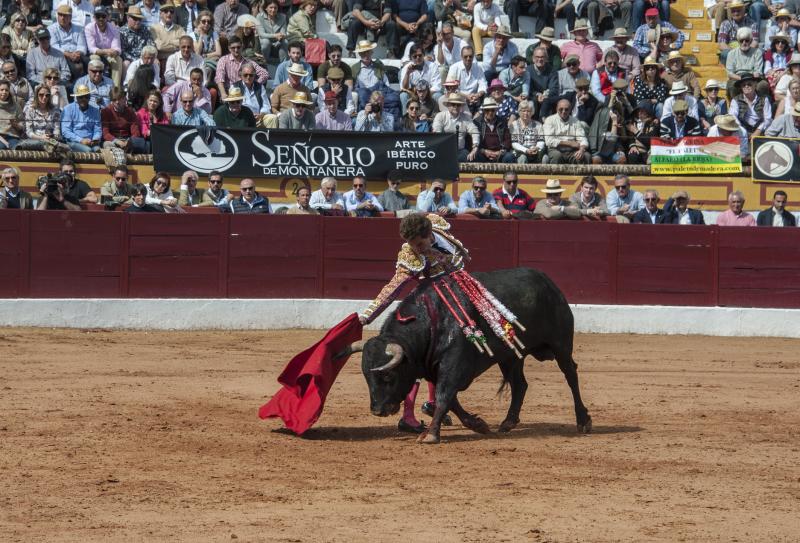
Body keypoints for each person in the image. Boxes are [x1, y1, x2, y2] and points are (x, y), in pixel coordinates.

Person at [357, 212, 471, 433]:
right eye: (412, 244)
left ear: (430, 234)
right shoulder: (410, 254)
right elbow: (392, 288)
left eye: (419, 243)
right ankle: (408, 417)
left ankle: (433, 404)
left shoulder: (437, 226)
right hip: (431, 310)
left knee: (440, 358)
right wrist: (367, 315)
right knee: (415, 362)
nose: (416, 248)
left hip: (455, 303)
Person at [215, 36, 269, 101]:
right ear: (229, 48)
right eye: (233, 48)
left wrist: (254, 85)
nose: (236, 50)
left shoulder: (248, 62)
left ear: (242, 47)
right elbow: (219, 78)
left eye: (238, 47)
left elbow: (265, 74)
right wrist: (223, 93)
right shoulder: (223, 60)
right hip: (230, 94)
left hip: (246, 93)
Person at [432, 92, 479, 161]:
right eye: (453, 104)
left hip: (460, 151)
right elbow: (437, 133)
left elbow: (474, 131)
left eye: (458, 105)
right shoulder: (440, 116)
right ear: (448, 105)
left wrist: (475, 147)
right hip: (443, 149)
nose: (456, 107)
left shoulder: (466, 117)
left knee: (468, 156)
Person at [101, 87, 148, 154]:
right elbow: (105, 133)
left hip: (127, 140)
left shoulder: (130, 111)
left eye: (119, 99)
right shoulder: (106, 111)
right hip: (112, 140)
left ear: (125, 99)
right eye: (114, 100)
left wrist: (128, 142)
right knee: (107, 145)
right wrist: (116, 141)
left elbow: (135, 132)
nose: (117, 102)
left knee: (140, 143)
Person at [543, 98, 590, 164]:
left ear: (570, 110)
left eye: (566, 109)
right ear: (556, 109)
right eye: (561, 109)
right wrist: (570, 143)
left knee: (586, 156)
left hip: (572, 151)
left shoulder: (576, 121)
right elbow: (549, 141)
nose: (563, 111)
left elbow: (583, 139)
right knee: (557, 156)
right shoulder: (550, 120)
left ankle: (581, 175)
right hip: (555, 149)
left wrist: (582, 150)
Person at [85, 6, 123, 87]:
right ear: (94, 17)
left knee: (118, 60)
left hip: (109, 54)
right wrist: (106, 51)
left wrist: (115, 52)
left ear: (108, 17)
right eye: (98, 16)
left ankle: (115, 88)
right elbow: (92, 48)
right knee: (95, 59)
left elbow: (117, 47)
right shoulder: (89, 28)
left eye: (103, 16)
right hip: (96, 54)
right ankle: (96, 85)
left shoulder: (114, 28)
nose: (101, 19)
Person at [48, 4, 88, 80]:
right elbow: (54, 46)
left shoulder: (79, 28)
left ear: (70, 17)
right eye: (60, 15)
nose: (62, 18)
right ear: (57, 16)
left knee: (90, 63)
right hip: (61, 55)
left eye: (65, 15)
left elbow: (82, 46)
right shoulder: (51, 28)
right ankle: (77, 86)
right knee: (76, 68)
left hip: (77, 54)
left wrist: (78, 53)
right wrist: (68, 54)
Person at [446, 46, 487, 115]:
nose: (468, 59)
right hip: (458, 98)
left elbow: (483, 84)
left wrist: (478, 94)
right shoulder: (454, 68)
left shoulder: (478, 68)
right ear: (461, 57)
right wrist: (466, 96)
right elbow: (450, 88)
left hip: (475, 98)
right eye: (465, 56)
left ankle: (477, 117)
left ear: (473, 56)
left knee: (486, 96)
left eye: (470, 56)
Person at [728, 73, 772, 138]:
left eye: (749, 84)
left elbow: (768, 118)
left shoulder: (764, 99)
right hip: (742, 130)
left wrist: (758, 131)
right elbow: (732, 116)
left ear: (755, 85)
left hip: (761, 130)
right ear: (741, 87)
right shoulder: (735, 100)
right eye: (743, 85)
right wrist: (741, 129)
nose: (746, 86)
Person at [61, 84, 102, 152]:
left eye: (86, 97)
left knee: (98, 150)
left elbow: (98, 130)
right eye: (81, 97)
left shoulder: (96, 111)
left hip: (91, 142)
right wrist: (81, 140)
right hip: (73, 141)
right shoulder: (68, 109)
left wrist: (95, 139)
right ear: (76, 98)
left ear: (89, 97)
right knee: (88, 151)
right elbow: (65, 131)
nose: (84, 99)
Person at [717, 0, 760, 64]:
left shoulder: (752, 23)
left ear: (744, 11)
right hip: (731, 52)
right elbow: (722, 43)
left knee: (760, 52)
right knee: (725, 53)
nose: (736, 13)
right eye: (733, 11)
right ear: (730, 12)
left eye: (738, 11)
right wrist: (736, 53)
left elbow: (755, 42)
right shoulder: (725, 24)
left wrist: (745, 51)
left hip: (748, 50)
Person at [473, 97, 514, 163]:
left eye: (492, 110)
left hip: (499, 153)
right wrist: (484, 151)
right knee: (474, 155)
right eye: (487, 110)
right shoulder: (477, 122)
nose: (490, 112)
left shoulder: (502, 121)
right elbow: (472, 141)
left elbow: (508, 139)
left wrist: (501, 151)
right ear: (483, 111)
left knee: (509, 156)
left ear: (496, 110)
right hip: (483, 153)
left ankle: (508, 174)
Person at [0, 80, 23, 150]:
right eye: (1, 90)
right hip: (0, 137)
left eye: (6, 90)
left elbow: (22, 127)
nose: (4, 92)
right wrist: (5, 142)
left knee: (17, 149)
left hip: (13, 137)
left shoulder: (16, 105)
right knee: (2, 148)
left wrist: (15, 124)